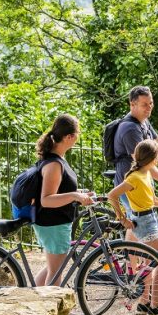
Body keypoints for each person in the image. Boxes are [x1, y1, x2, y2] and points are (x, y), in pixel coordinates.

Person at [107, 139, 158, 315]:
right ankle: (155, 305)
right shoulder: (134, 177)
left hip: (150, 217)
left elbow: (154, 201)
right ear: (154, 157)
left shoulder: (146, 174)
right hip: (143, 221)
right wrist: (122, 218)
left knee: (150, 262)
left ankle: (144, 302)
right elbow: (112, 195)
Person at [32, 114, 95, 286]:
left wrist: (79, 193)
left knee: (53, 267)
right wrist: (75, 196)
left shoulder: (57, 159)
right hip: (53, 223)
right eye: (77, 134)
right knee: (55, 272)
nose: (78, 138)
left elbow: (61, 189)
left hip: (55, 222)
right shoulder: (54, 164)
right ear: (69, 137)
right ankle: (52, 310)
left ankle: (31, 298)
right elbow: (46, 199)